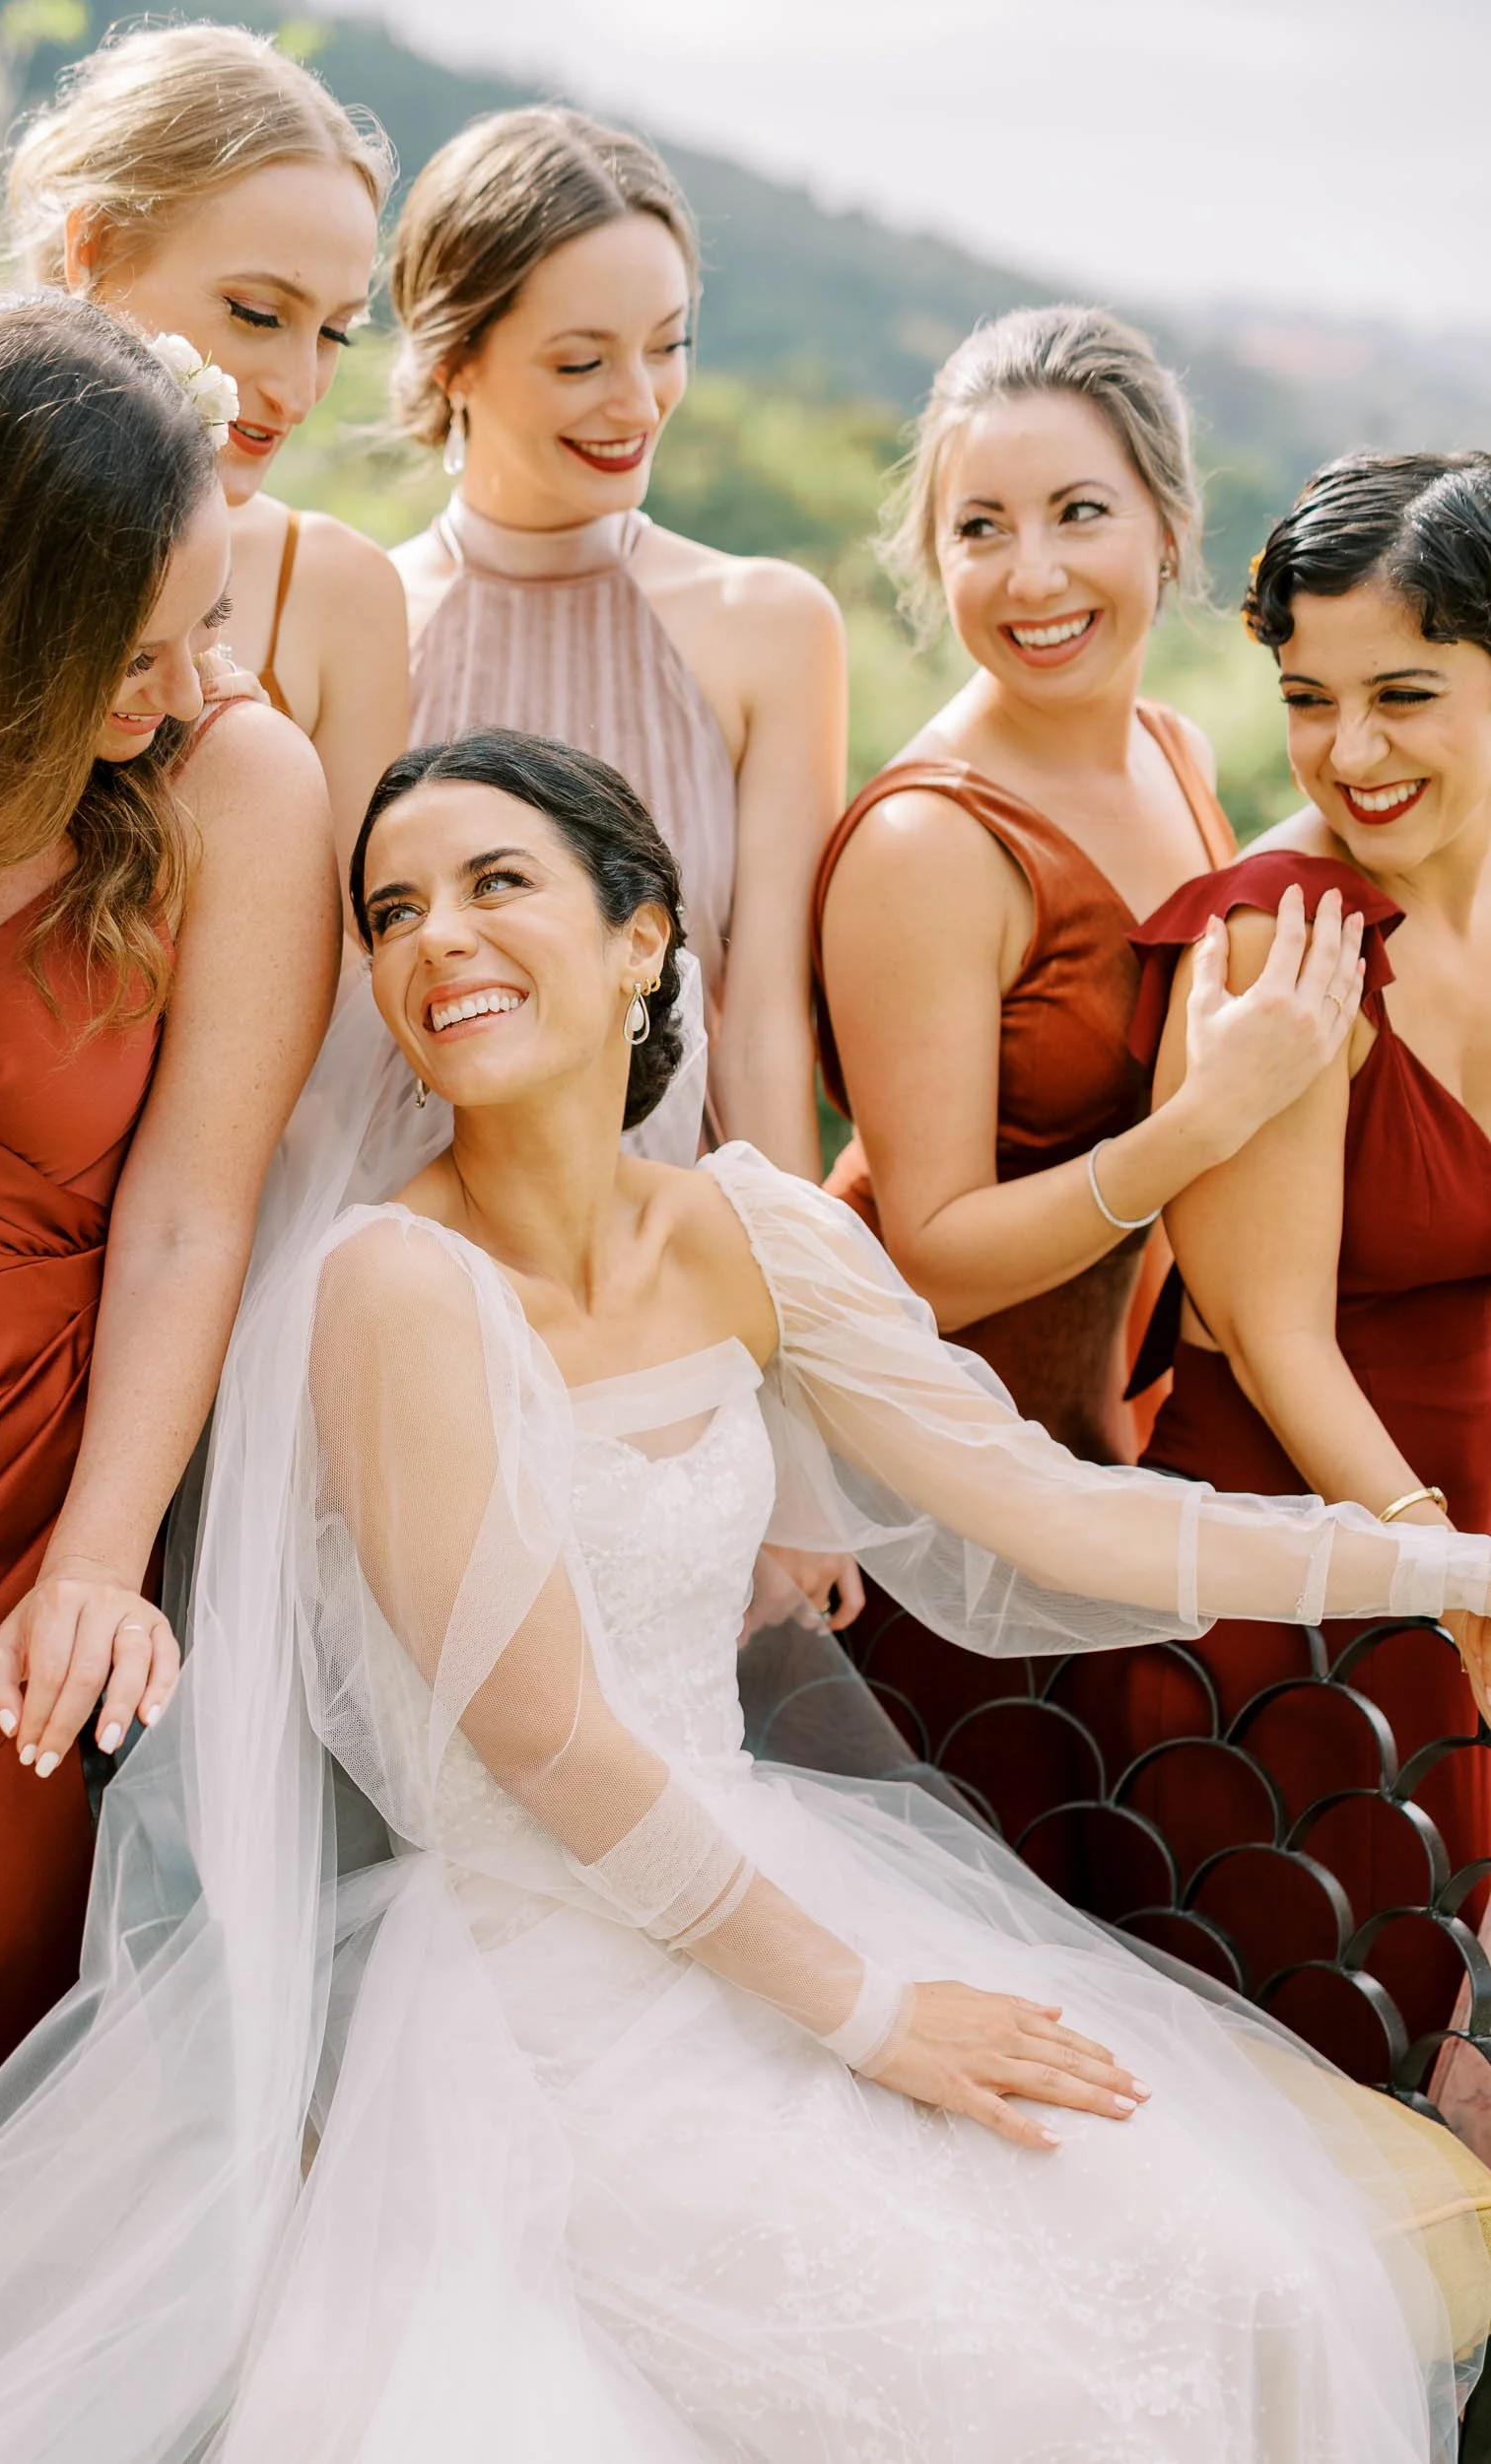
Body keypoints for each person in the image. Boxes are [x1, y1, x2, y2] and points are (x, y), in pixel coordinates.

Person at [0, 727, 1491, 2464]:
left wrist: (1437, 1561)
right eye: (392, 913)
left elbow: (1049, 1514)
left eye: (493, 883)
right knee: (1004, 2376)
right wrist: (870, 2019)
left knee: (1226, 2280)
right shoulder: (391, 1283)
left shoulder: (756, 1231)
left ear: (643, 937)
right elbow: (542, 1733)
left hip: (772, 1880)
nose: (436, 938)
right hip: (546, 1994)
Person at [0, 293, 339, 2128]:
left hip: (6, 1534)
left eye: (207, 629)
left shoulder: (233, 786)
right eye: (131, 647)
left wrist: (97, 1561)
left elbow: (190, 1217)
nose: (183, 690)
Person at [812, 305, 1367, 1763]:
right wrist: (1201, 1127)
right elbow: (926, 1251)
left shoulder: (1175, 752)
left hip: (1085, 1441)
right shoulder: (927, 844)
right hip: (916, 1485)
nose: (1033, 574)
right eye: (980, 527)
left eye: (1078, 514)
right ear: (935, 560)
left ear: (1170, 531)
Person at [1131, 451, 1491, 2085]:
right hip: (1323, 1566)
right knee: (1373, 2080)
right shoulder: (1280, 935)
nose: (1354, 754)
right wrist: (1455, 1587)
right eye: (1309, 697)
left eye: (1404, 695)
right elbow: (1269, 1338)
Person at [389, 107, 843, 1178]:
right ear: (453, 358)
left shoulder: (768, 626)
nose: (639, 403)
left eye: (667, 344)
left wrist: (797, 1298)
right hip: (414, 1253)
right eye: (582, 361)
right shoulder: (365, 620)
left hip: (676, 1264)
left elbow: (763, 1017)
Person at [4, 20, 406, 861]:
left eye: (336, 333)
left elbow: (353, 963)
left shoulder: (337, 593)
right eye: (256, 314)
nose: (299, 391)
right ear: (95, 247)